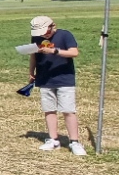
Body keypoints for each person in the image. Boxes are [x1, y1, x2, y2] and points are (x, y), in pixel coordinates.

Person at [28, 15, 86, 156]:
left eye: (45, 32)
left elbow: (74, 52)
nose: (43, 35)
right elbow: (33, 56)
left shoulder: (65, 35)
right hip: (45, 79)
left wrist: (55, 51)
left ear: (52, 26)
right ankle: (53, 140)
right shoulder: (36, 38)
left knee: (68, 110)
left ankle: (74, 142)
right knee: (49, 110)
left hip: (64, 79)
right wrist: (31, 72)